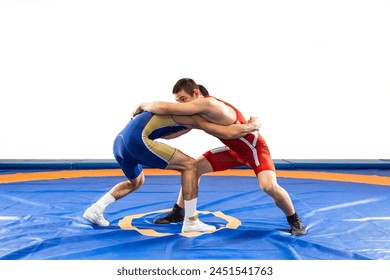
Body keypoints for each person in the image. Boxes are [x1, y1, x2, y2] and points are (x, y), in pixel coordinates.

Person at [133, 78, 307, 236]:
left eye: (183, 99)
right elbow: (176, 132)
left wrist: (142, 105)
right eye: (178, 101)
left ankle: (294, 219)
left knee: (269, 187)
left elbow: (167, 108)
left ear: (196, 93)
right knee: (193, 168)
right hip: (233, 150)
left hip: (254, 149)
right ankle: (179, 211)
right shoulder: (199, 112)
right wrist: (150, 134)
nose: (180, 104)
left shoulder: (210, 105)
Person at [83, 110, 260, 233]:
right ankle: (191, 221)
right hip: (136, 141)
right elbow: (225, 132)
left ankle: (96, 209)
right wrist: (252, 125)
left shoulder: (166, 111)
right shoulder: (191, 113)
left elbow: (167, 134)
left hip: (119, 143)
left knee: (136, 182)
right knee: (190, 165)